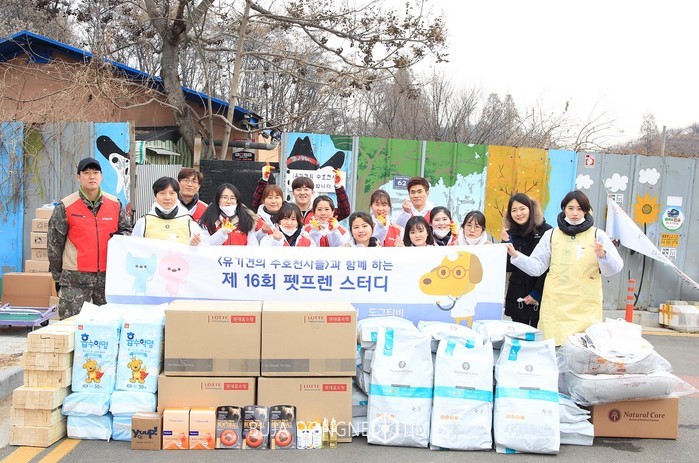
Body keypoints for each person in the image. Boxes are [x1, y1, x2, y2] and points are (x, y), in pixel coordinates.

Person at [505, 190, 623, 345]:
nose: (575, 213)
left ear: (586, 211)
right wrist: (516, 255)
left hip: (585, 305)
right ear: (563, 209)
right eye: (570, 208)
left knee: (582, 348)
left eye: (580, 209)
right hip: (556, 305)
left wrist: (603, 255)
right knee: (553, 347)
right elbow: (537, 267)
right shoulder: (551, 235)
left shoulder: (597, 235)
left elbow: (614, 268)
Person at [48, 157, 132, 318]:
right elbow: (54, 244)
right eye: (86, 173)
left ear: (101, 176)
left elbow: (127, 231)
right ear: (78, 177)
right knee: (71, 324)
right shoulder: (65, 206)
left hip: (108, 277)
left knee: (110, 323)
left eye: (95, 172)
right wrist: (58, 276)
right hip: (75, 278)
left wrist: (120, 237)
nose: (91, 176)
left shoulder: (115, 204)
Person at [500, 193, 552, 328]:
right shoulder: (510, 233)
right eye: (514, 210)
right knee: (518, 333)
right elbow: (507, 267)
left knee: (539, 333)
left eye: (522, 208)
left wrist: (536, 293)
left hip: (540, 291)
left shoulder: (546, 231)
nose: (519, 213)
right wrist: (506, 243)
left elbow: (551, 266)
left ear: (531, 209)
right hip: (518, 293)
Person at [132, 177, 202, 245]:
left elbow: (203, 248)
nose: (167, 198)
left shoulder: (189, 223)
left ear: (177, 196)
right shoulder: (143, 222)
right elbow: (133, 248)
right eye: (162, 193)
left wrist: (193, 246)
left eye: (172, 193)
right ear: (155, 196)